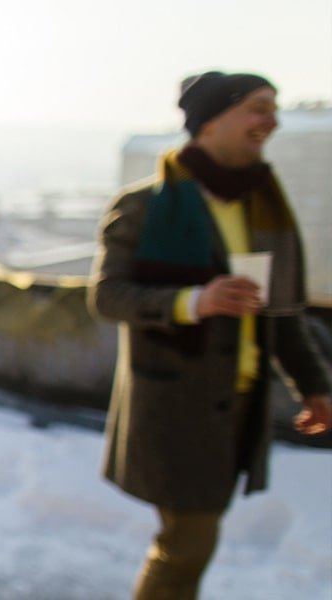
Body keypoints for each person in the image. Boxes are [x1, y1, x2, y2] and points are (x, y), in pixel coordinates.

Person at [88, 71, 332, 599]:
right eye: (258, 107)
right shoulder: (144, 205)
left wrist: (315, 385)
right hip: (176, 408)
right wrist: (195, 301)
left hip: (240, 405)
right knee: (188, 545)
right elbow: (107, 296)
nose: (272, 120)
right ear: (212, 121)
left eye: (275, 108)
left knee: (191, 543)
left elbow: (279, 312)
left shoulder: (261, 206)